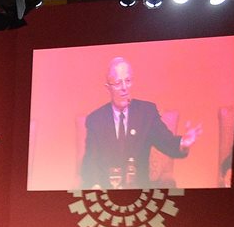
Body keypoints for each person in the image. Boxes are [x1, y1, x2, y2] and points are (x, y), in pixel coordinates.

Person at [81, 56, 198, 190]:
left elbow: (167, 142)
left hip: (139, 192)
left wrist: (183, 143)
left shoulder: (146, 113)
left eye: (128, 81)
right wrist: (96, 187)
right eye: (118, 83)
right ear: (108, 88)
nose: (124, 88)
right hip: (106, 192)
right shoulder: (96, 120)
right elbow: (90, 161)